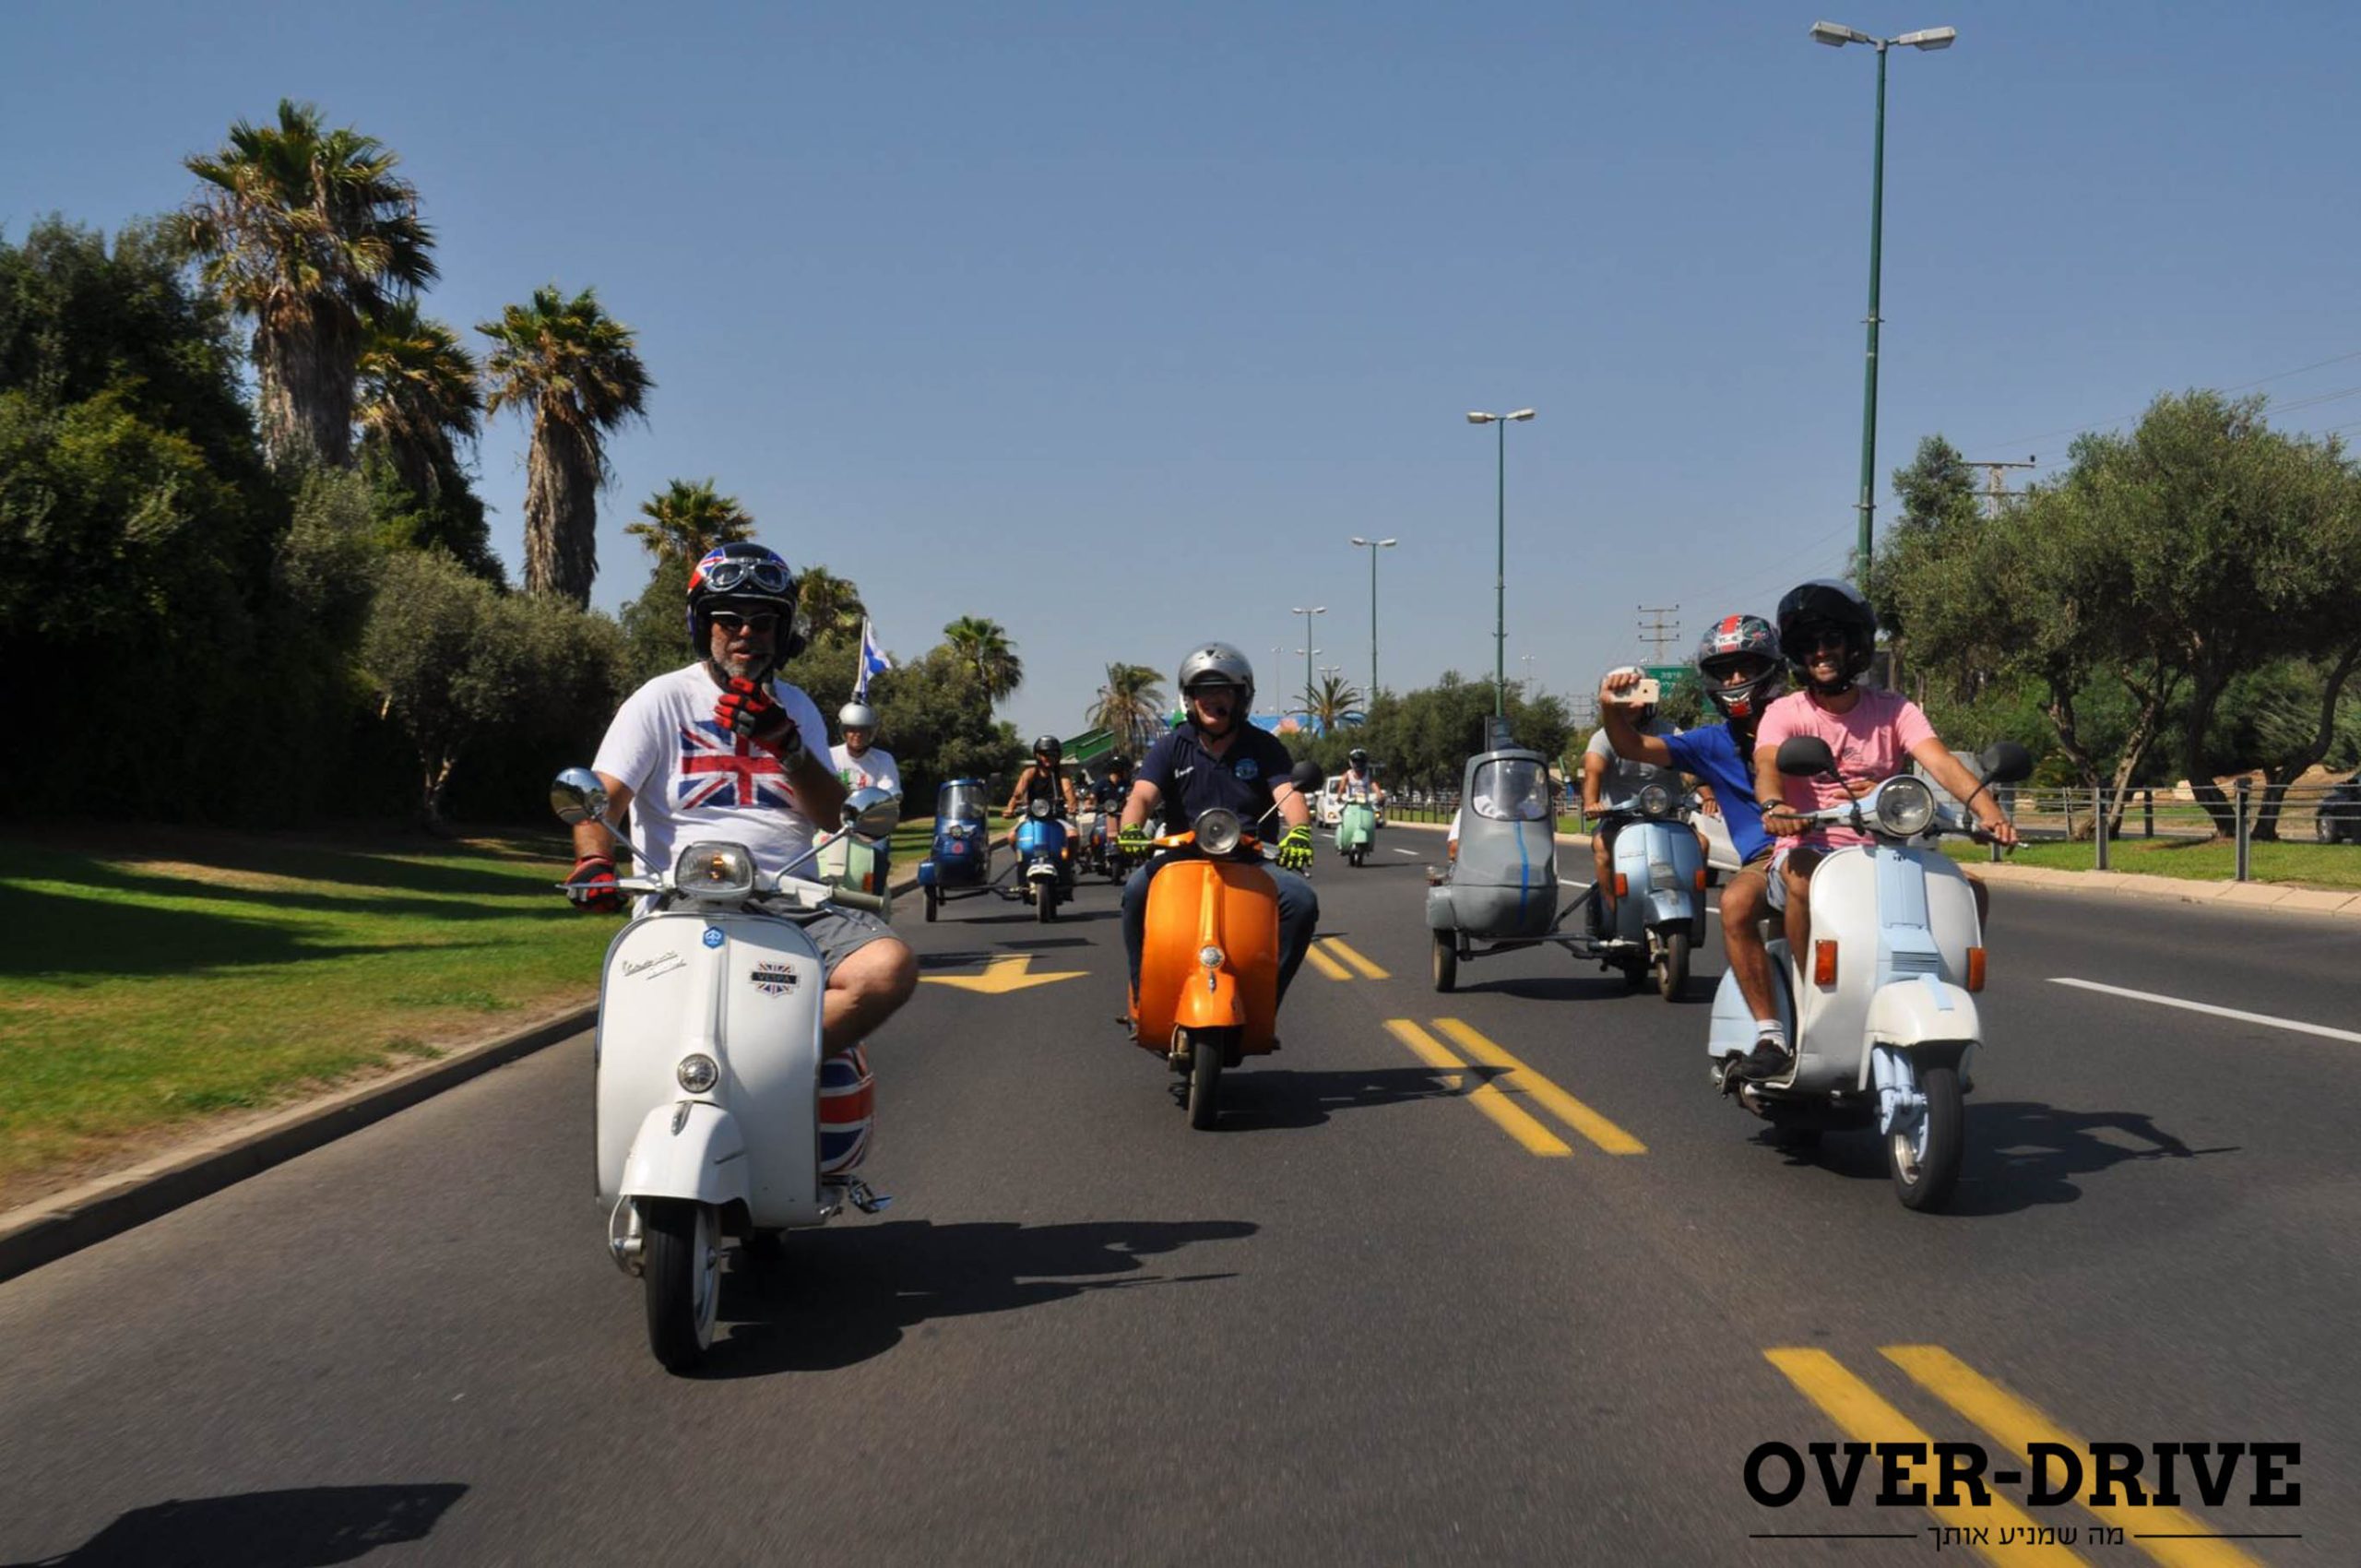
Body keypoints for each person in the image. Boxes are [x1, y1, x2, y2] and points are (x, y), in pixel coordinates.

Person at [566, 542, 919, 1079]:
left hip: (789, 900)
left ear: (782, 632)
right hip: (678, 902)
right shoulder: (660, 699)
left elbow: (832, 818)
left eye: (762, 622)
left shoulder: (797, 707)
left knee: (888, 969)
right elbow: (602, 799)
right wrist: (594, 862)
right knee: (628, 1045)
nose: (745, 633)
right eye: (728, 620)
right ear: (703, 626)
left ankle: (763, 1073)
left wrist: (789, 746)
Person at [1751, 579, 2019, 1067]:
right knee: (1802, 879)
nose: (1821, 652)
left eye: (1831, 639)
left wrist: (1990, 812)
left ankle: (1945, 997)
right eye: (1809, 644)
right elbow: (1768, 765)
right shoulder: (1784, 713)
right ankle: (1811, 998)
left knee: (1971, 889)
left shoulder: (1894, 710)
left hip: (1888, 849)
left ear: (1854, 644)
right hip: (1811, 845)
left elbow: (1939, 762)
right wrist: (1776, 807)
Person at [1600, 613, 1786, 1068]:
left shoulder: (1806, 721)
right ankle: (1771, 1034)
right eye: (1725, 672)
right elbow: (1633, 748)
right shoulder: (1709, 743)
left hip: (1834, 846)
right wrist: (1610, 708)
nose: (1735, 680)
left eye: (1745, 667)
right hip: (1769, 857)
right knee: (1736, 903)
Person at [1118, 643, 1319, 1007]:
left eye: (1223, 690)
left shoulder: (1264, 746)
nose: (1212, 699)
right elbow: (1142, 796)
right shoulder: (1170, 746)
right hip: (1182, 856)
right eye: (1202, 691)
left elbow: (1288, 794)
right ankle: (1142, 994)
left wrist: (1300, 831)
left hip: (1252, 858)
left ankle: (1265, 1001)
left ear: (1242, 697)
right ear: (1189, 699)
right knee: (1135, 891)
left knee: (1301, 901)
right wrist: (1130, 828)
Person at [1580, 689, 1684, 935]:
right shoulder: (1603, 737)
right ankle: (1613, 915)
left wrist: (1707, 793)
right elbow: (1593, 770)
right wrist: (1592, 803)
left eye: (1635, 699)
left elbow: (1690, 763)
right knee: (1602, 848)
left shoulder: (1670, 732)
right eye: (1622, 699)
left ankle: (1683, 901)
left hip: (1665, 818)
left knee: (1700, 844)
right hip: (1619, 820)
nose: (1629, 705)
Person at [1003, 734, 1082, 847]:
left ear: (1058, 756)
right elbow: (1017, 795)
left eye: (1053, 754)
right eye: (1044, 754)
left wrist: (1072, 805)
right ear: (1037, 755)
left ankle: (1069, 858)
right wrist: (1010, 808)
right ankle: (1021, 857)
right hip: (1031, 817)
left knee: (1072, 836)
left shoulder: (1062, 774)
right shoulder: (1029, 773)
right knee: (1012, 837)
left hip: (1057, 818)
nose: (1048, 757)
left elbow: (1069, 792)